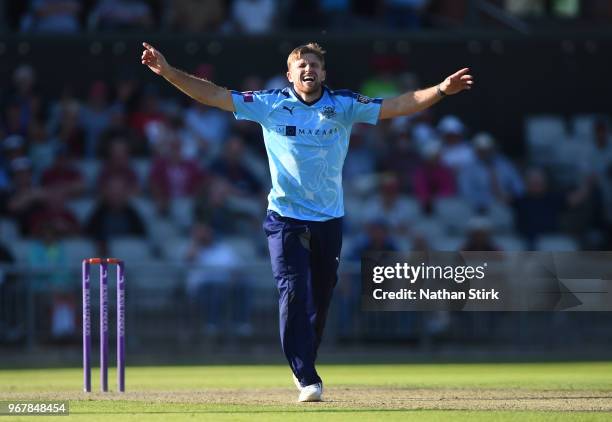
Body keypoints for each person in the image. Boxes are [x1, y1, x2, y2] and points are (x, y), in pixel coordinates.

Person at [141, 41, 473, 402]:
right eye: (301, 65)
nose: (308, 70)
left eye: (314, 64)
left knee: (321, 296)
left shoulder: (343, 105)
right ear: (289, 74)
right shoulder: (271, 104)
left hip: (329, 219)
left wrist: (440, 90)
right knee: (293, 290)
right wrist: (169, 71)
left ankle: (304, 358)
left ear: (324, 73)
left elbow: (396, 106)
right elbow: (215, 96)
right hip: (284, 217)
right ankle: (305, 374)